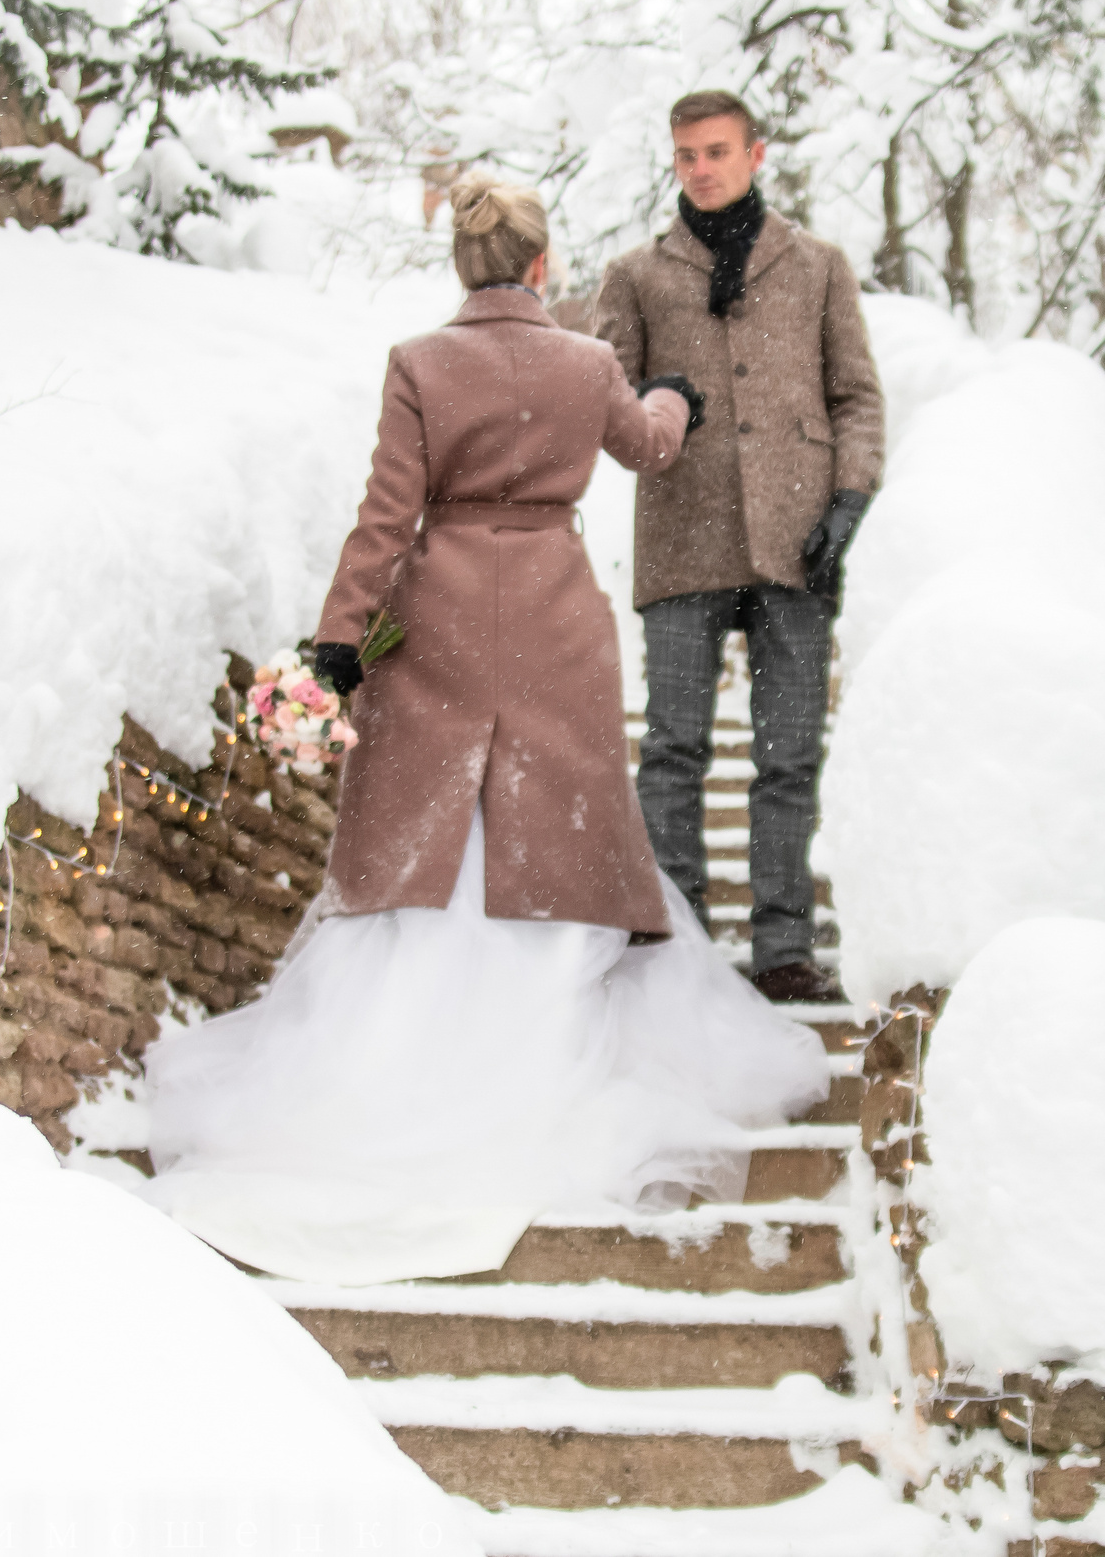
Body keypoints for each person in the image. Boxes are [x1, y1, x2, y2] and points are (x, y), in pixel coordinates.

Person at [136, 176, 830, 1287]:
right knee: (555, 817)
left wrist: (335, 649)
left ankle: (385, 1063)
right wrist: (675, 399)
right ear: (543, 266)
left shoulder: (419, 363)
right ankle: (542, 1040)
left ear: (461, 268)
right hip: (553, 614)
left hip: (441, 612)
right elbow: (649, 450)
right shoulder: (584, 364)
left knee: (425, 819)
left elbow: (384, 518)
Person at [594, 91, 885, 1004]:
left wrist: (849, 498)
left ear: (756, 154)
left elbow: (857, 398)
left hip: (799, 547)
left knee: (788, 757)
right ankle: (678, 945)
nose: (702, 168)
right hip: (682, 544)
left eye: (718, 151)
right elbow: (604, 405)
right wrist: (653, 399)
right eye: (686, 155)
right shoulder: (635, 276)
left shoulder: (821, 268)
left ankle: (785, 951)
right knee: (675, 749)